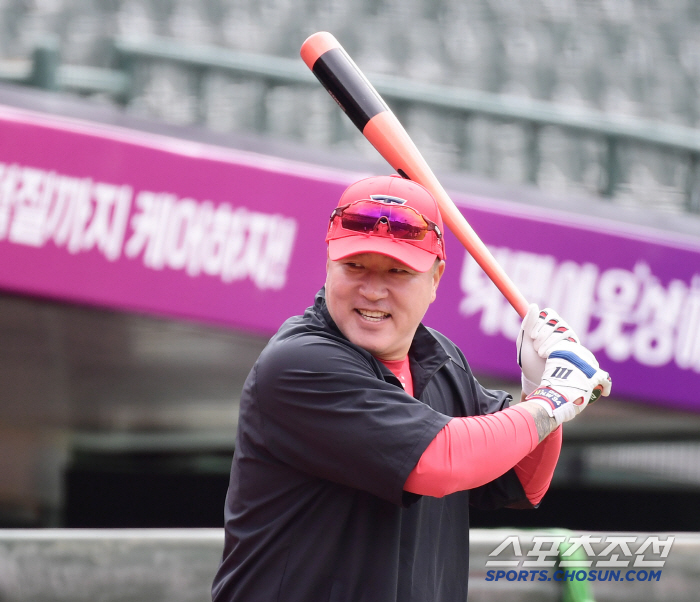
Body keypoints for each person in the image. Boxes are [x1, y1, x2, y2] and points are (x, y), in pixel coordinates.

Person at [211, 175, 611, 602]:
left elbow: (523, 480)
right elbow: (438, 461)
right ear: (329, 264)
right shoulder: (299, 363)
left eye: (398, 271)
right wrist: (552, 402)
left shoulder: (441, 360)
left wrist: (536, 388)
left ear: (436, 278)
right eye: (355, 266)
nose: (372, 289)